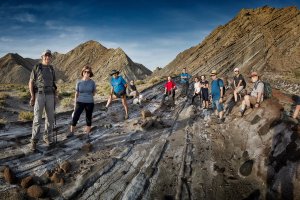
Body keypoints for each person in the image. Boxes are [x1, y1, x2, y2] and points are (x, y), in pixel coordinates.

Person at [29, 50, 57, 151]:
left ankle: (47, 137)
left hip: (50, 95)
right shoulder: (37, 67)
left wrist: (55, 96)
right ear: (42, 57)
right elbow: (31, 82)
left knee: (50, 118)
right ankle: (34, 141)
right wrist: (32, 96)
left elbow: (54, 84)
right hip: (39, 95)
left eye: (49, 56)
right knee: (37, 119)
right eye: (46, 56)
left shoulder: (51, 69)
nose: (47, 57)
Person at [68, 66, 96, 138]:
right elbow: (76, 93)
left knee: (88, 117)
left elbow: (94, 93)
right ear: (82, 72)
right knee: (75, 116)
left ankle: (87, 134)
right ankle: (71, 132)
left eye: (88, 72)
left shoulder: (92, 82)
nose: (86, 73)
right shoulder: (78, 82)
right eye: (85, 72)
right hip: (79, 101)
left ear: (90, 73)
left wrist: (89, 94)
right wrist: (75, 104)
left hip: (89, 102)